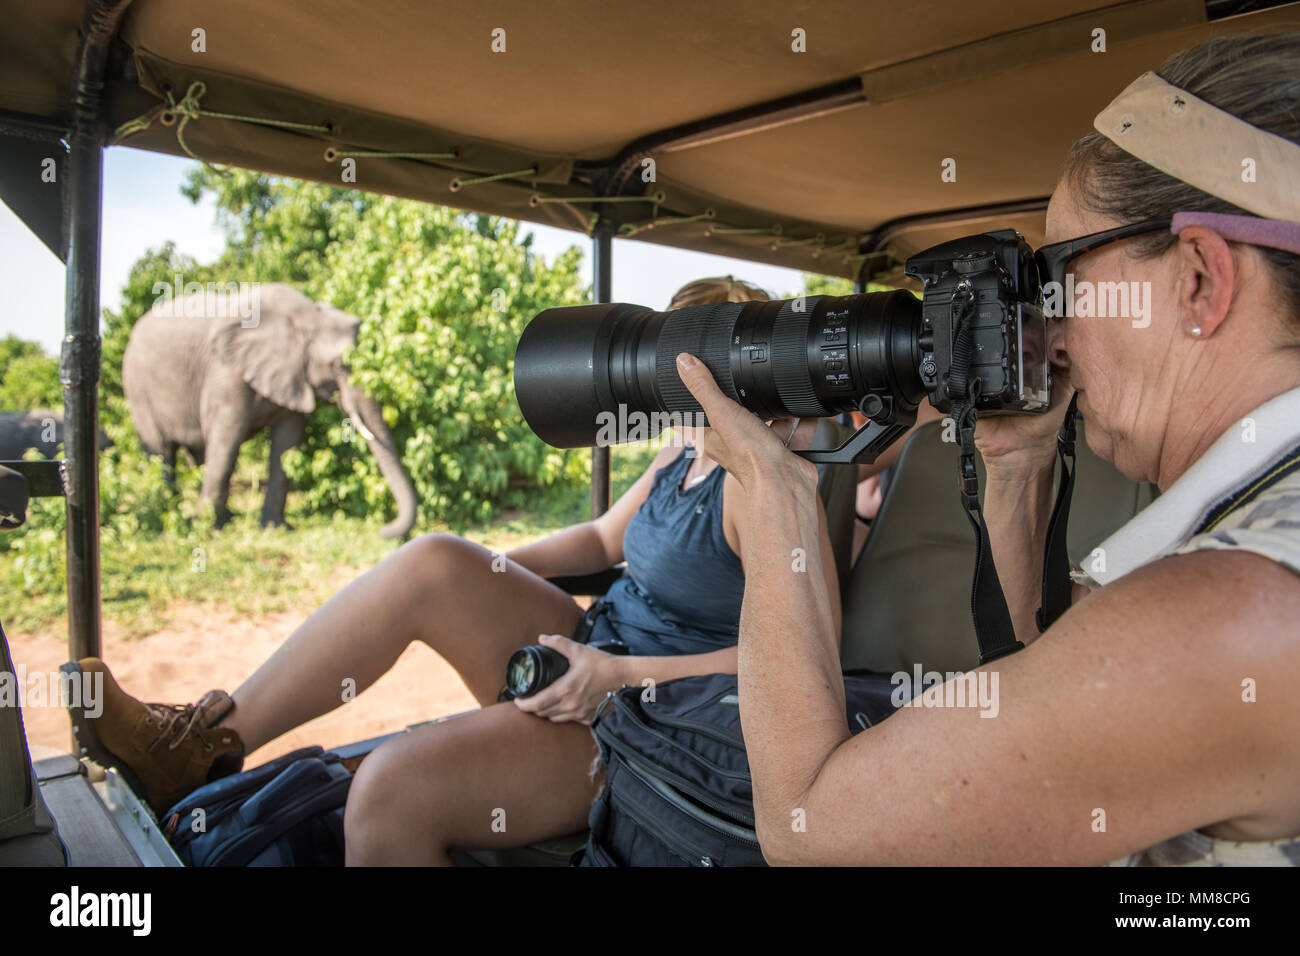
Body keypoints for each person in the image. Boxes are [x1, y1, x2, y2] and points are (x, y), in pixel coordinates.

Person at [673, 32, 1300, 866]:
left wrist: (777, 495)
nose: (1053, 331)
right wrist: (1016, 473)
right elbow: (1060, 695)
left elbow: (806, 830)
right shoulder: (1250, 552)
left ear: (1199, 280)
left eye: (1062, 276)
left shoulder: (1237, 613)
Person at [66, 275, 842, 865]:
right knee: (433, 559)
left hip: (647, 717)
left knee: (391, 789)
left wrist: (622, 673)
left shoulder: (768, 485)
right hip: (588, 648)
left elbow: (808, 662)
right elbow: (605, 539)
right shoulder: (685, 449)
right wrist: (481, 570)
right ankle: (197, 746)